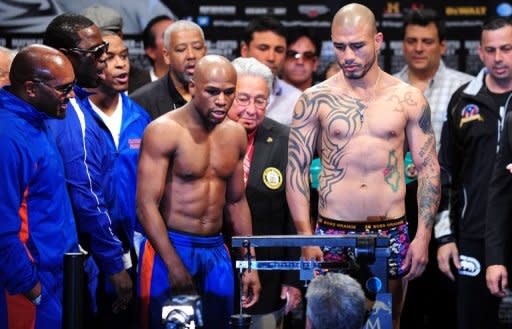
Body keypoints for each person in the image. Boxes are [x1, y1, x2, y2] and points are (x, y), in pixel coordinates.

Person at [285, 4, 440, 329]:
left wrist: (423, 235)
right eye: (339, 46)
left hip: (391, 228)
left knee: (388, 321)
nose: (348, 55)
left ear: (378, 40)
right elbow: (297, 170)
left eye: (357, 45)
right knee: (321, 322)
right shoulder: (315, 99)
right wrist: (305, 235)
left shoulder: (409, 99)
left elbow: (428, 169)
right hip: (330, 232)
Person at [137, 55, 261, 329]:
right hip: (170, 247)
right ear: (193, 87)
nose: (222, 100)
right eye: (212, 91)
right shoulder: (163, 131)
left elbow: (237, 203)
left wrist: (250, 264)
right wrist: (174, 265)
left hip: (217, 251)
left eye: (229, 92)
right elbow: (146, 206)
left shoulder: (235, 135)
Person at [43, 13, 132, 322]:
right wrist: (114, 264)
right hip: (72, 256)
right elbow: (87, 194)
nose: (103, 61)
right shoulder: (70, 113)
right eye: (95, 53)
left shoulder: (69, 105)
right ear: (66, 57)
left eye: (104, 49)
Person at [393, 8, 473, 329]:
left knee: (449, 310)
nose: (419, 48)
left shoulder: (467, 88)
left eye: (427, 41)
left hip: (452, 210)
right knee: (404, 309)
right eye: (412, 40)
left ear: (442, 46)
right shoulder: (387, 89)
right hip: (400, 210)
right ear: (402, 44)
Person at [437, 16, 512, 329]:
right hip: (474, 234)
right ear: (479, 53)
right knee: (473, 322)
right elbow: (444, 172)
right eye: (491, 50)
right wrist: (444, 236)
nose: (498, 58)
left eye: (507, 49)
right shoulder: (463, 100)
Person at [0, 44, 79, 329]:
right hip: (26, 290)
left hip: (53, 280)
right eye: (64, 88)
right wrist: (34, 291)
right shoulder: (8, 137)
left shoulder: (36, 120)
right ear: (31, 88)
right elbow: (3, 230)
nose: (71, 95)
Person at [227, 57, 302, 329]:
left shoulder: (285, 139)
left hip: (270, 275)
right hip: (217, 268)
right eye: (242, 99)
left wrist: (293, 278)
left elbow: (295, 216)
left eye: (260, 100)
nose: (251, 109)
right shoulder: (207, 136)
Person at [87, 30, 151, 329]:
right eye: (110, 57)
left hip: (134, 247)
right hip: (86, 248)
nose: (121, 64)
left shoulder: (141, 117)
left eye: (124, 56)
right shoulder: (72, 114)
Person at [131, 20, 207, 120]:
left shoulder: (219, 95)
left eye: (197, 48)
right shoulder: (141, 102)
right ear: (166, 56)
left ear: (205, 51)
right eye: (181, 49)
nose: (191, 55)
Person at [241, 16, 302, 126]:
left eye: (279, 50)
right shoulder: (225, 93)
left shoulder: (296, 100)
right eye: (263, 48)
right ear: (245, 50)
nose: (271, 57)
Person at [281, 27, 321, 91]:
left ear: (315, 63)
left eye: (308, 56)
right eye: (292, 55)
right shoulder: (266, 95)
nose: (300, 62)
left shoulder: (329, 97)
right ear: (282, 60)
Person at [142, 15, 175, 82]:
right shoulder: (135, 89)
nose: (177, 40)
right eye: (167, 36)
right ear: (151, 52)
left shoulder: (197, 87)